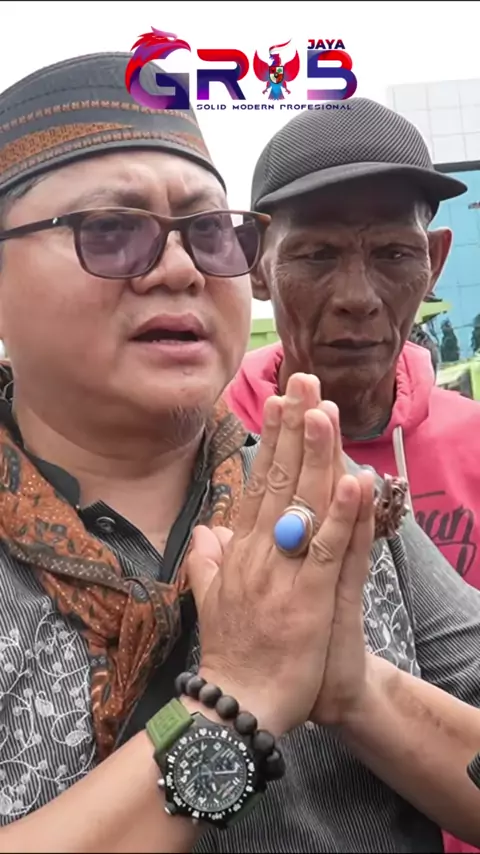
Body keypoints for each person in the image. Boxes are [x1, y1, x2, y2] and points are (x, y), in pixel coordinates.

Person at [0, 55, 480, 854]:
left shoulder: (336, 498)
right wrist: (233, 700)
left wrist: (361, 692)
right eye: (110, 230)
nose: (180, 268)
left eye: (208, 232)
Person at [226, 98, 480, 592]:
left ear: (434, 260)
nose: (358, 299)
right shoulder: (199, 451)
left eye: (394, 253)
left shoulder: (475, 445)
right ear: (256, 267)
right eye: (317, 255)